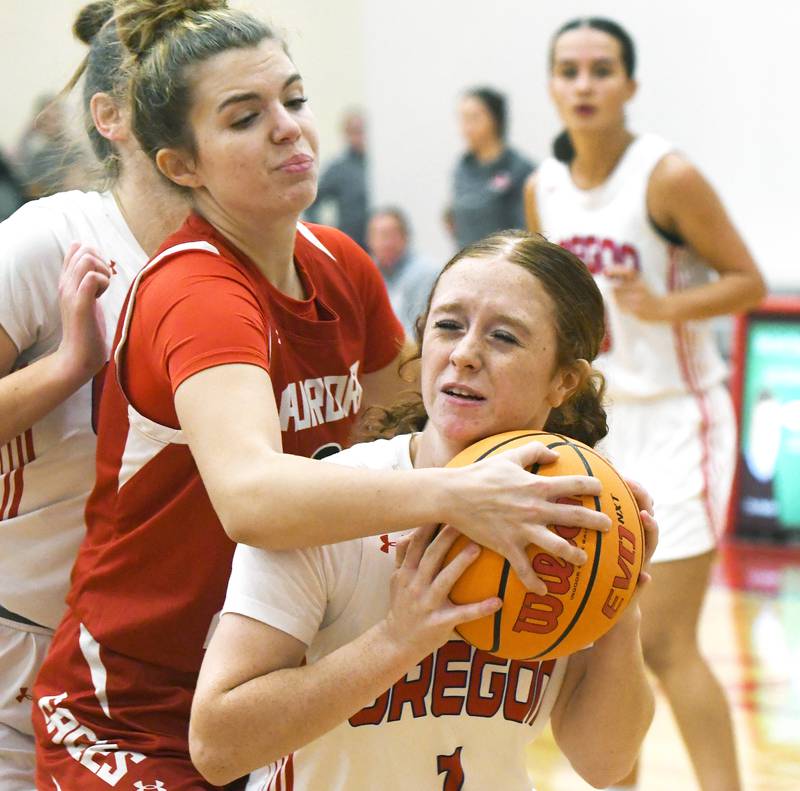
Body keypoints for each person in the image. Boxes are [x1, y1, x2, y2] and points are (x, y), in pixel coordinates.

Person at [32, 4, 611, 789]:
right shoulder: (198, 289)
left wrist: (589, 498)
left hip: (280, 676)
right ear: (181, 165)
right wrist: (468, 493)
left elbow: (442, 413)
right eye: (245, 117)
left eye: (294, 100)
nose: (287, 128)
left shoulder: (338, 263)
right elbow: (252, 499)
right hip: (137, 707)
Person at [190, 230, 659, 791]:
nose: (464, 353)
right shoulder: (328, 498)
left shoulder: (581, 519)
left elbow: (604, 764)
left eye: (503, 336)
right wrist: (396, 642)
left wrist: (618, 606)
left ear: (564, 380)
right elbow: (216, 745)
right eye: (448, 325)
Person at [524, 17, 766, 791]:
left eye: (601, 70)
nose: (585, 85)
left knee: (664, 641)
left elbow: (748, 281)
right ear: (553, 85)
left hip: (679, 416)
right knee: (591, 637)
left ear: (629, 85)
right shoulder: (544, 187)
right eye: (570, 70)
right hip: (598, 427)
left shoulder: (666, 176)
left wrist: (662, 307)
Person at [0, 3, 189, 788]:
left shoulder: (244, 256)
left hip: (166, 657)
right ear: (110, 117)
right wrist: (69, 366)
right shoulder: (48, 239)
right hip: (25, 636)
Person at [449, 87, 534, 249]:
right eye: (462, 119)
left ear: (495, 120)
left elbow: (526, 230)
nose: (467, 127)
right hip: (467, 262)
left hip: (508, 262)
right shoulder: (461, 169)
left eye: (474, 118)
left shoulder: (520, 169)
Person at [366, 205, 439, 335]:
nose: (384, 243)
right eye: (378, 236)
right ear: (369, 241)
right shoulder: (366, 272)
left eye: (390, 235)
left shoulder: (426, 273)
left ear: (405, 237)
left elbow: (418, 329)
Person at [304, 108, 368, 247]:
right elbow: (311, 202)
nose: (360, 136)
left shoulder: (380, 167)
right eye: (354, 131)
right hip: (352, 245)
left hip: (383, 250)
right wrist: (325, 235)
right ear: (346, 134)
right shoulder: (338, 169)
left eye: (363, 130)